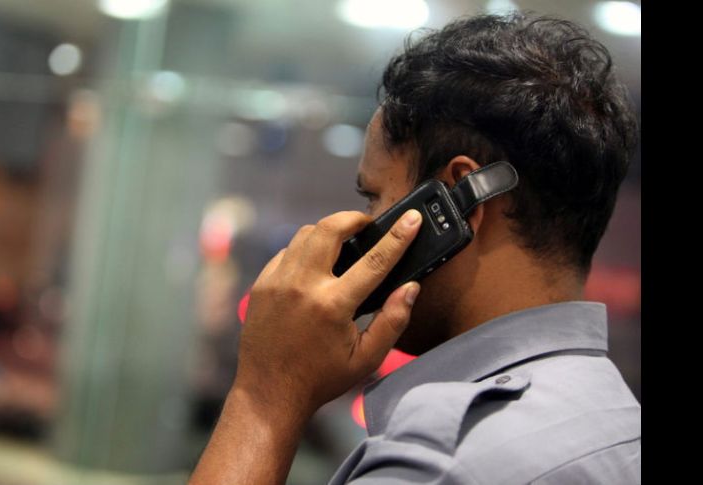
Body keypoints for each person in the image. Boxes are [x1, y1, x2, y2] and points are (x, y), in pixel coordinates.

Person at [188, 12, 640, 485]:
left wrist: (266, 393)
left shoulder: (443, 463)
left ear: (460, 200)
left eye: (374, 197)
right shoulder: (614, 416)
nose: (363, 226)